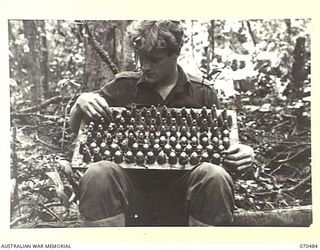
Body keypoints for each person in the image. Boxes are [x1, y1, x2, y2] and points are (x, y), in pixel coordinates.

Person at [70, 20, 254, 226]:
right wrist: (80, 104)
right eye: (141, 58)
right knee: (97, 173)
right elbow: (80, 133)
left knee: (215, 175)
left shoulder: (202, 93)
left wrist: (242, 153)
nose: (145, 66)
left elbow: (223, 148)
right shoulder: (122, 87)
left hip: (184, 197)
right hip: (131, 195)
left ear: (175, 54)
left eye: (154, 60)